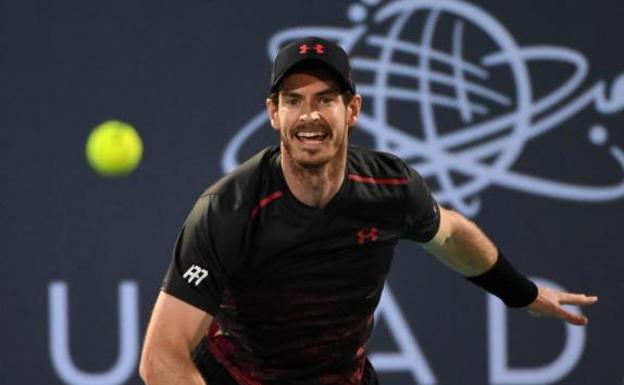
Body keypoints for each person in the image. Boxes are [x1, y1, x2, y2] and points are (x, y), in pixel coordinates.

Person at [139, 36, 598, 385]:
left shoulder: (390, 188)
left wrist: (522, 293)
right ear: (274, 114)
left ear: (352, 110)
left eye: (325, 99)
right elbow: (161, 356)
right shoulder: (228, 210)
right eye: (293, 101)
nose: (310, 115)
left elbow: (452, 235)